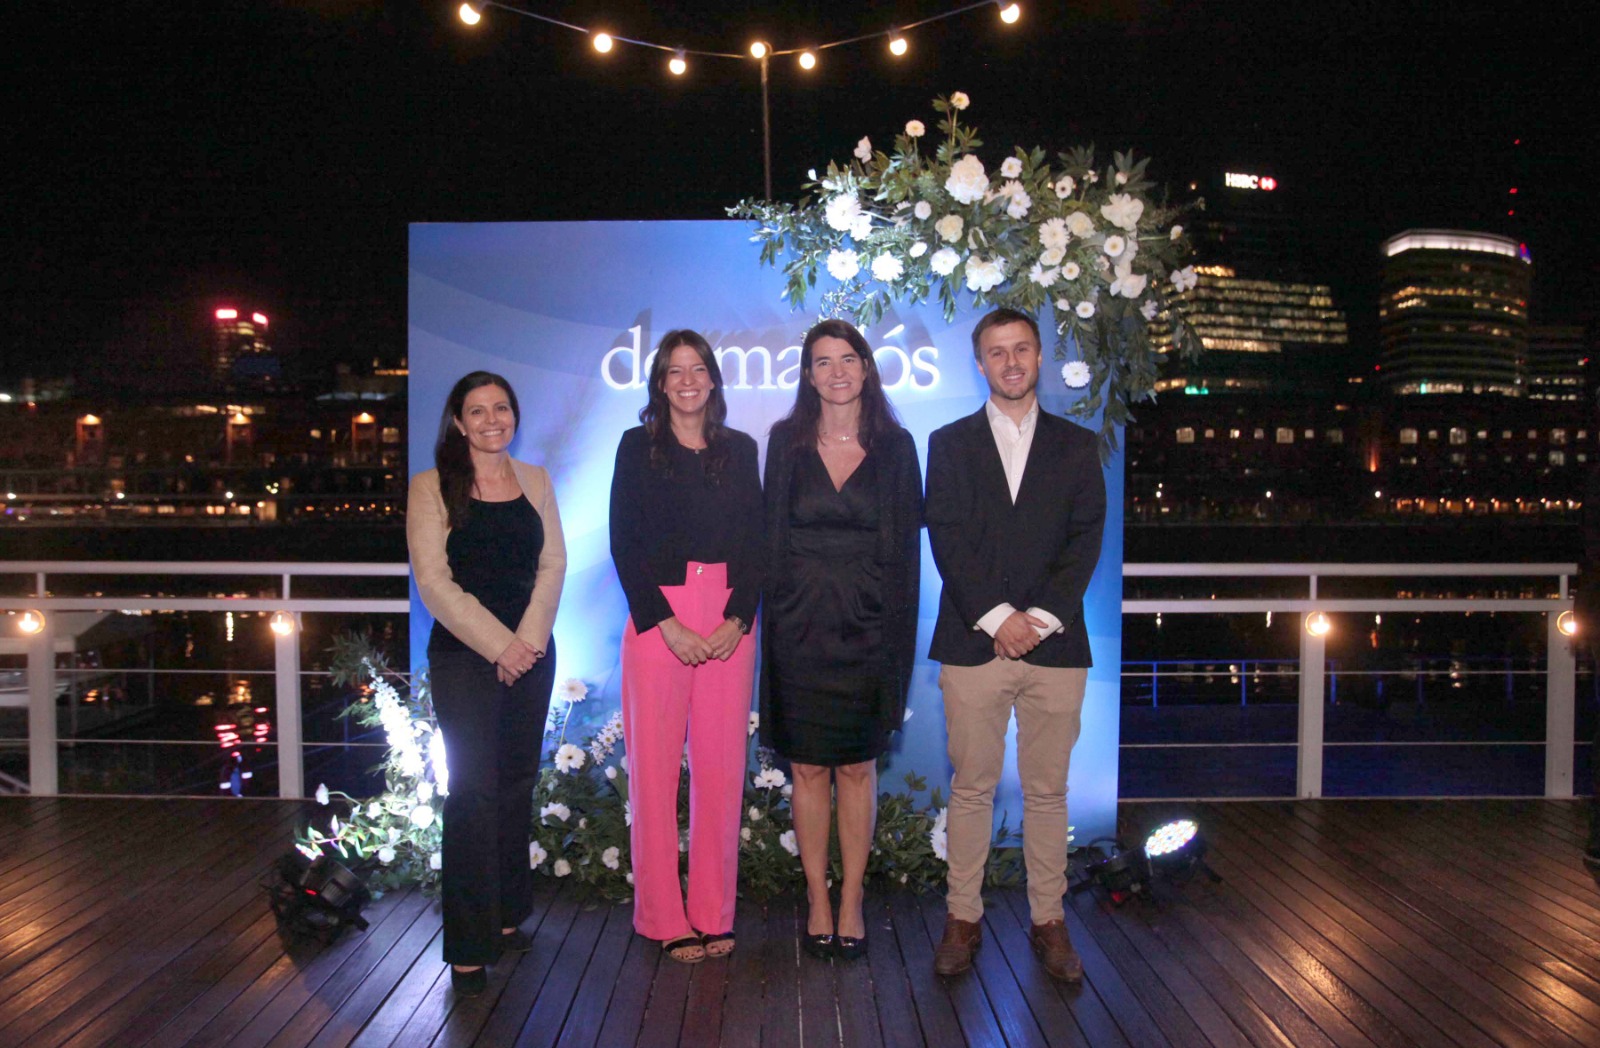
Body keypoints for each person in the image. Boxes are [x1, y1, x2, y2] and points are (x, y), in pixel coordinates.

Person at [924, 307, 1106, 983]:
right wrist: (999, 619)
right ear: (980, 364)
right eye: (997, 352)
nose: (1010, 362)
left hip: (1056, 648)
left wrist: (1040, 619)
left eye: (1021, 349)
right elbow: (947, 537)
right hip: (974, 643)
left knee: (1048, 792)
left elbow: (1085, 540)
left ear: (1039, 357)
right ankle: (962, 918)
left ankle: (1048, 921)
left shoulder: (1077, 445)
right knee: (972, 789)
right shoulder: (948, 443)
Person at [760, 319, 922, 962]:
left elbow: (907, 561)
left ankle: (851, 897)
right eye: (823, 362)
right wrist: (771, 633)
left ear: (866, 368)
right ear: (808, 374)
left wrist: (898, 651)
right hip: (797, 630)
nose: (837, 372)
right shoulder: (784, 442)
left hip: (869, 630)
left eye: (848, 359)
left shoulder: (898, 447)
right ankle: (816, 899)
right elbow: (770, 544)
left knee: (857, 768)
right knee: (805, 768)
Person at [407, 371, 566, 997]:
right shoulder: (431, 487)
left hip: (533, 651)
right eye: (477, 410)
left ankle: (505, 915)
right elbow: (434, 582)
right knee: (472, 791)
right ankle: (469, 946)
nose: (491, 419)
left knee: (515, 783)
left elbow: (552, 564)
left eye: (501, 408)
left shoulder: (537, 480)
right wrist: (501, 646)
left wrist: (525, 643)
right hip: (465, 658)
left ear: (514, 416)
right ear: (458, 421)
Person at [609, 329, 763, 963]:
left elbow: (758, 542)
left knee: (722, 771)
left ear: (714, 379)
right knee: (653, 771)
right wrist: (664, 623)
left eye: (698, 369)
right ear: (660, 383)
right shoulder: (636, 447)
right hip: (659, 616)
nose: (688, 380)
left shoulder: (741, 449)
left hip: (728, 616)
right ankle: (662, 916)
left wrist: (739, 618)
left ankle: (712, 912)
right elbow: (623, 540)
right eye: (675, 371)